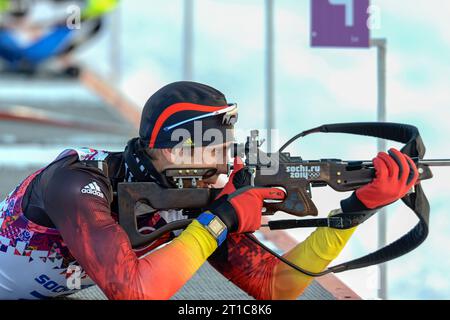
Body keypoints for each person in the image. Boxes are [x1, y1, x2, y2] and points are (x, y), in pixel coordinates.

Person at [0, 81, 419, 300]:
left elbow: (275, 286)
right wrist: (220, 219)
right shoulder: (76, 182)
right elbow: (135, 292)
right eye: (213, 150)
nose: (224, 165)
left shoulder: (191, 193)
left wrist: (355, 210)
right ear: (173, 150)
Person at [0, 0, 118, 74]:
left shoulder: (79, 11)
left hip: (45, 46)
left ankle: (59, 61)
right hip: (12, 41)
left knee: (92, 21)